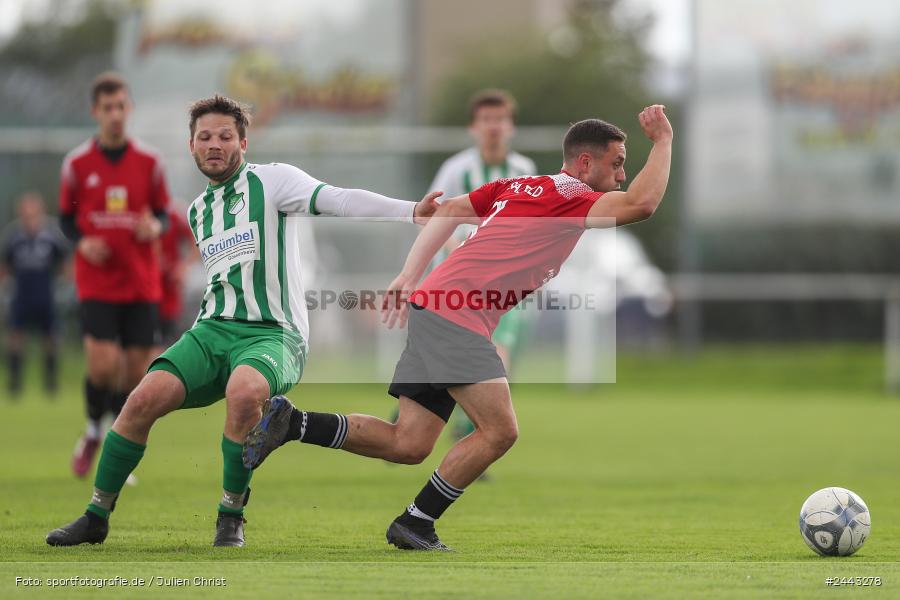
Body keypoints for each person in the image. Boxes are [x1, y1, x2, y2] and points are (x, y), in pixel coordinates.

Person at [243, 105, 673, 551]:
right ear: (585, 163)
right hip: (456, 316)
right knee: (501, 430)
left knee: (407, 443)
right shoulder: (571, 196)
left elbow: (448, 209)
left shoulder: (518, 185)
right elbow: (642, 204)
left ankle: (294, 423)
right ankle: (416, 522)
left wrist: (411, 275)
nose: (622, 174)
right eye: (618, 162)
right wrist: (662, 142)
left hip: (438, 306)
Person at [46, 94, 441, 548]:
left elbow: (339, 200)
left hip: (275, 334)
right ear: (192, 146)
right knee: (140, 401)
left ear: (243, 142)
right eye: (205, 137)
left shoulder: (273, 182)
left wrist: (412, 210)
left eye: (225, 136)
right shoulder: (198, 211)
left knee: (245, 391)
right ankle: (96, 515)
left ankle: (230, 516)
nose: (215, 144)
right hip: (211, 330)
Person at [396, 89, 537, 443]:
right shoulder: (457, 169)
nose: (494, 127)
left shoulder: (524, 170)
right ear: (474, 127)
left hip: (501, 288)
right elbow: (434, 216)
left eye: (500, 120)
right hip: (455, 287)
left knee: (498, 359)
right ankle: (414, 408)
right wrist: (454, 244)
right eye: (486, 120)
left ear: (511, 126)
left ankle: (467, 431)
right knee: (449, 361)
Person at [58, 72, 171, 478]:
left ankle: (118, 443)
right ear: (96, 112)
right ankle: (92, 431)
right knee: (102, 365)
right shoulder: (76, 164)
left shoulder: (151, 162)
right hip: (98, 282)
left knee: (135, 372)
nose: (115, 115)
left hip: (141, 280)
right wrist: (82, 243)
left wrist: (155, 227)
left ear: (130, 109)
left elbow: (162, 213)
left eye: (121, 106)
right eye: (107, 108)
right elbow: (66, 219)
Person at [1, 193, 69, 396]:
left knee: (50, 338)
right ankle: (15, 383)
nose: (29, 216)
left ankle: (50, 383)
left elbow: (65, 260)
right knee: (15, 337)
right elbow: (5, 263)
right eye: (25, 212)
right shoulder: (13, 236)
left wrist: (64, 283)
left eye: (33, 211)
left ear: (41, 212)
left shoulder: (52, 235)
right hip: (21, 294)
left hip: (45, 294)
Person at [156, 204, 199, 347]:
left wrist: (184, 266)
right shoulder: (135, 214)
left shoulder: (173, 216)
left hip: (169, 288)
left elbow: (196, 238)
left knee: (167, 340)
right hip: (144, 288)